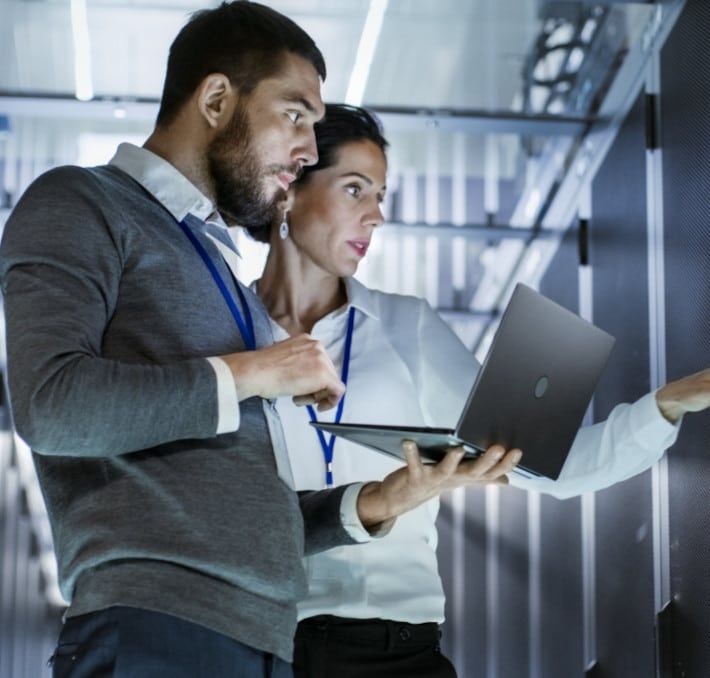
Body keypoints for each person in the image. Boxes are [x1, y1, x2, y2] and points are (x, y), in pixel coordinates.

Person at [0, 5, 522, 678]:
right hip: (155, 630)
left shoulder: (214, 263)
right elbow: (51, 405)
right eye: (295, 114)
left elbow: (244, 513)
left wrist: (377, 503)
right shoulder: (81, 202)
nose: (308, 147)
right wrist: (252, 372)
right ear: (217, 99)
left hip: (264, 643)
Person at [247, 102, 710, 678]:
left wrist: (666, 405)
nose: (376, 217)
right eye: (355, 190)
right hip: (254, 644)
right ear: (289, 189)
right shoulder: (226, 339)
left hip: (396, 653)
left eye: (381, 196)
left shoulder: (405, 327)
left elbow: (547, 466)